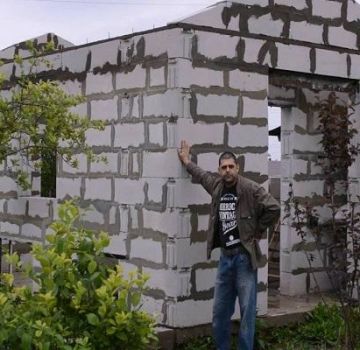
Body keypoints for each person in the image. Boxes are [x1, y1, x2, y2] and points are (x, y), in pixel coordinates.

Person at [178, 140, 280, 350]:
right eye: (223, 167)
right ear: (219, 169)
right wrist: (187, 161)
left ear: (237, 168)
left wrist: (257, 231)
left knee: (247, 312)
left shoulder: (250, 189)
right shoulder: (216, 186)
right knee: (219, 312)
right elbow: (201, 175)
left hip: (244, 258)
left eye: (231, 166)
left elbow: (273, 208)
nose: (227, 171)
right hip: (225, 259)